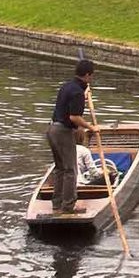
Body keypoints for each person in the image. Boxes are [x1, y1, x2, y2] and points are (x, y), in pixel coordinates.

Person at [46, 55, 96, 215]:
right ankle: (68, 207)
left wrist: (84, 95)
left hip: (52, 130)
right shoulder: (77, 93)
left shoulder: (67, 86)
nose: (92, 78)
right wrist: (91, 127)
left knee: (60, 169)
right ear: (87, 75)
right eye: (92, 75)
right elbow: (74, 117)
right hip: (63, 133)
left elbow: (69, 104)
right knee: (70, 170)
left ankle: (56, 205)